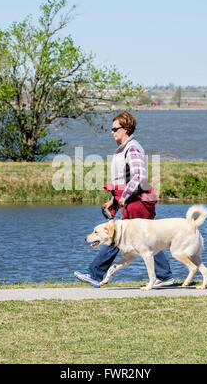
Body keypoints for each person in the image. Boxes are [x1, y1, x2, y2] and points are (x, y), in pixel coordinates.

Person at [74, 111, 174, 288]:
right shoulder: (124, 149)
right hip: (130, 200)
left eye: (115, 129)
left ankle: (95, 274)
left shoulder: (132, 148)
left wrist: (125, 196)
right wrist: (114, 199)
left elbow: (139, 176)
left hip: (137, 202)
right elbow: (123, 179)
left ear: (126, 129)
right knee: (146, 239)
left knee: (115, 236)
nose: (112, 132)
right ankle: (165, 276)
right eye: (111, 129)